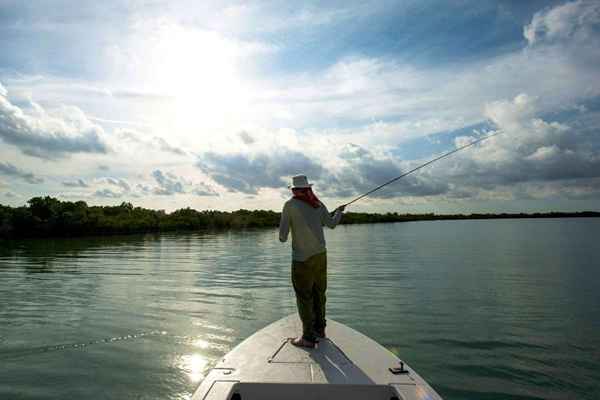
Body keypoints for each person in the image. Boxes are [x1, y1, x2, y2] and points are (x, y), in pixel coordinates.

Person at [279, 174, 345, 348]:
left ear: (294, 189)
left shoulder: (289, 205)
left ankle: (308, 337)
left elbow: (282, 237)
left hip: (302, 259)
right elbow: (331, 224)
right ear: (308, 188)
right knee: (319, 293)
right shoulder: (318, 203)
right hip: (321, 255)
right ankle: (320, 330)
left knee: (304, 297)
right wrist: (339, 212)